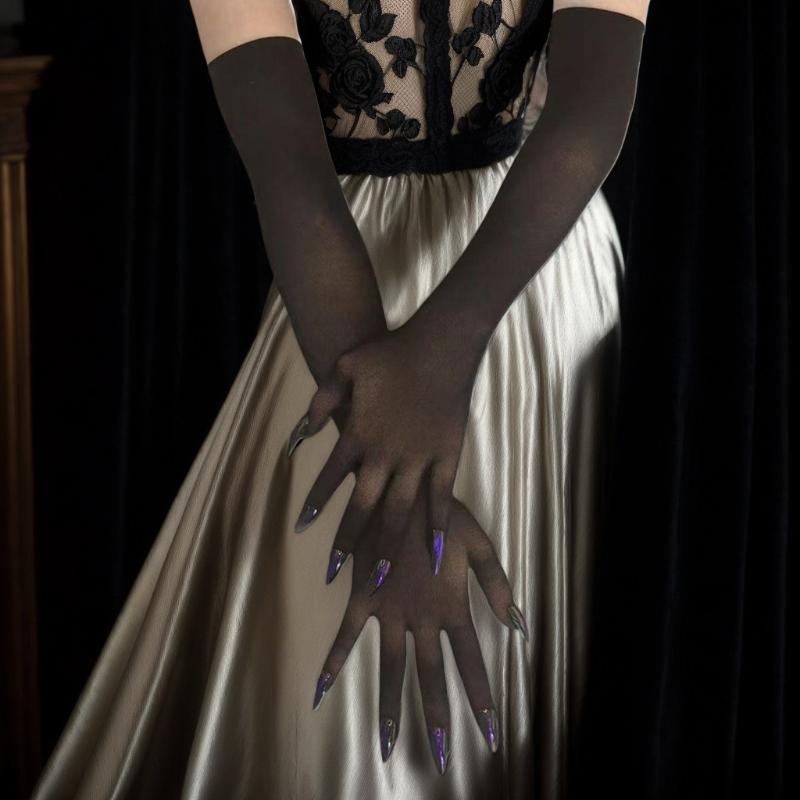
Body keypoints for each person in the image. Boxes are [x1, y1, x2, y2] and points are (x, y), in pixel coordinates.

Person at [31, 1, 648, 797]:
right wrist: (389, 481)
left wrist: (447, 347)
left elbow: (591, 110)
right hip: (341, 300)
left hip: (535, 271)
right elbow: (282, 157)